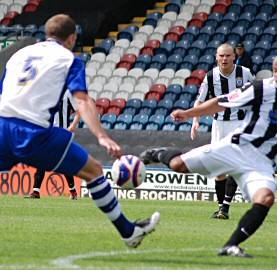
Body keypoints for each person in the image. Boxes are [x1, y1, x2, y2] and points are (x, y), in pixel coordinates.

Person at [140, 50, 277, 257]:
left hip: (261, 163)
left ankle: (231, 245)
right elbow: (221, 102)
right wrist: (189, 113)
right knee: (178, 165)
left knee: (265, 198)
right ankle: (157, 153)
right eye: (274, 69)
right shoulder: (261, 88)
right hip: (235, 148)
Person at [0, 14, 159, 248]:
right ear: (72, 37)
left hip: (2, 125)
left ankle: (130, 231)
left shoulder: (20, 54)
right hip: (33, 132)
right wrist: (102, 136)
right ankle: (128, 232)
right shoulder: (68, 59)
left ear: (47, 33)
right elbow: (82, 101)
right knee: (94, 171)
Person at [191, 43, 254, 219]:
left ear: (234, 56)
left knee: (233, 165)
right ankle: (221, 207)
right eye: (221, 56)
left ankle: (224, 208)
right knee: (219, 172)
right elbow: (200, 100)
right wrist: (195, 121)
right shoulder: (210, 76)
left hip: (239, 123)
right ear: (216, 57)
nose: (224, 59)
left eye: (227, 55)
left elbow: (256, 95)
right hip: (219, 125)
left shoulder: (245, 73)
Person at [25, 91, 81, 199]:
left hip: (61, 133)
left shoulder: (68, 93)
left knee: (63, 163)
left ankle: (73, 191)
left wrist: (73, 125)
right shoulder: (48, 91)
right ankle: (36, 191)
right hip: (48, 133)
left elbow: (79, 111)